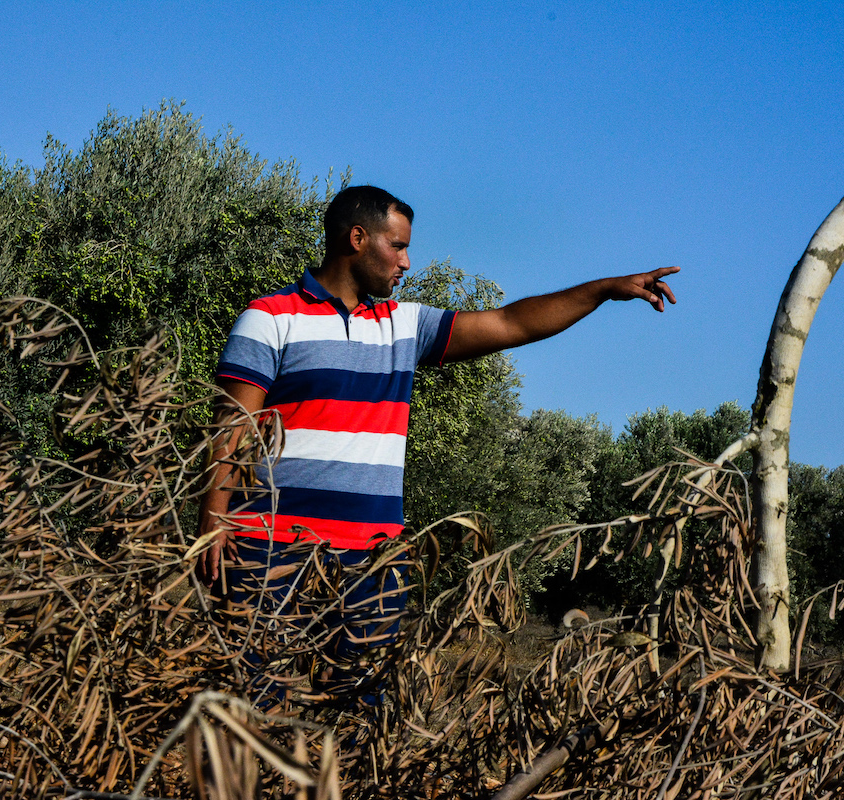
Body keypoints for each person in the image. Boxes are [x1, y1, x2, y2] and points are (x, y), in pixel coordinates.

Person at [197, 185, 677, 701]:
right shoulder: (270, 317)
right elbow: (233, 427)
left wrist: (604, 290)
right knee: (250, 711)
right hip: (268, 552)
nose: (406, 261)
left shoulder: (404, 326)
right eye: (397, 246)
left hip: (373, 565)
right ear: (357, 239)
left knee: (361, 726)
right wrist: (213, 525)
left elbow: (512, 322)